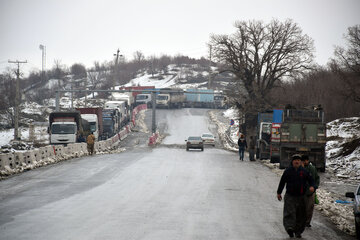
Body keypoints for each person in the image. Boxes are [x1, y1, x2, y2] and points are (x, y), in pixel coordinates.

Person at [277, 154, 315, 238]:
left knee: (301, 215)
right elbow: (282, 182)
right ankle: (289, 228)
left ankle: (298, 231)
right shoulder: (288, 171)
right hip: (290, 196)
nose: (297, 161)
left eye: (298, 160)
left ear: (300, 162)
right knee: (289, 213)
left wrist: (312, 186)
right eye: (295, 160)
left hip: (301, 197)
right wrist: (279, 192)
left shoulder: (304, 171)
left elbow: (311, 180)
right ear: (292, 162)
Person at [301, 154, 320, 228]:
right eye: (302, 161)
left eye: (304, 161)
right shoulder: (299, 169)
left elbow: (317, 178)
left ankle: (307, 222)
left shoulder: (312, 168)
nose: (304, 162)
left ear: (307, 161)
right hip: (301, 192)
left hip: (310, 192)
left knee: (309, 207)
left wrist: (315, 187)